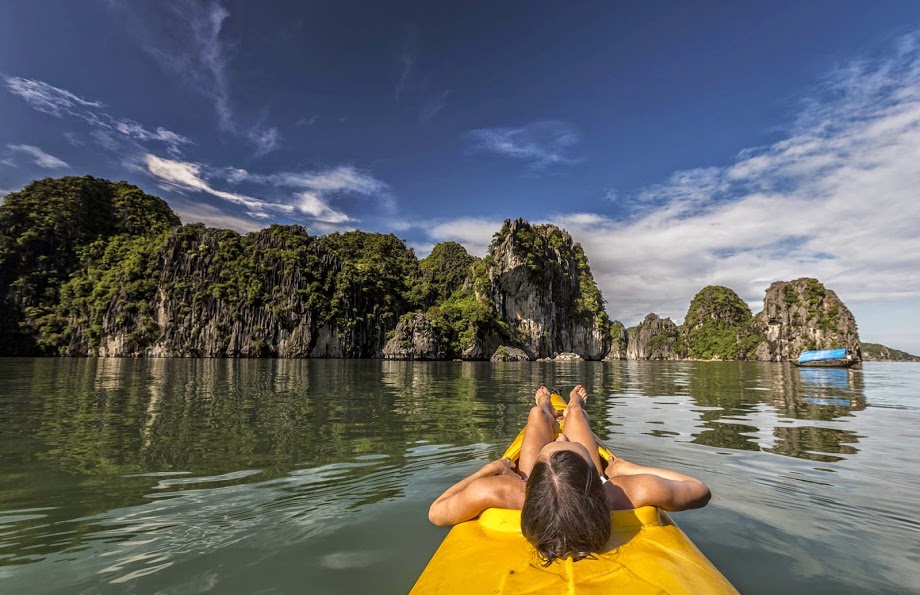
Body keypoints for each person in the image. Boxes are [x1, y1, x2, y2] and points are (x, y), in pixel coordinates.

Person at [428, 385, 711, 565]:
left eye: (560, 443)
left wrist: (487, 470)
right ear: (595, 475)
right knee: (574, 418)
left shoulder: (505, 490)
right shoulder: (622, 491)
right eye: (567, 443)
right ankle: (570, 406)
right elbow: (698, 489)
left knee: (536, 419)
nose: (562, 438)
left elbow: (437, 512)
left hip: (544, 480)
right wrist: (628, 468)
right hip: (578, 480)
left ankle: (546, 408)